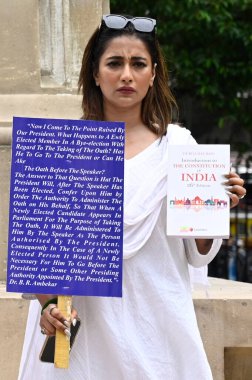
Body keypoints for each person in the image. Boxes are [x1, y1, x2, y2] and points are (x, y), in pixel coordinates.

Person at [18, 14, 246, 380]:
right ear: (95, 73)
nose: (126, 74)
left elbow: (197, 251)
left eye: (138, 63)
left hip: (158, 322)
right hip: (87, 326)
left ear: (153, 74)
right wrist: (48, 307)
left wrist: (217, 208)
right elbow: (44, 253)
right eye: (114, 63)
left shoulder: (180, 146)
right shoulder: (63, 148)